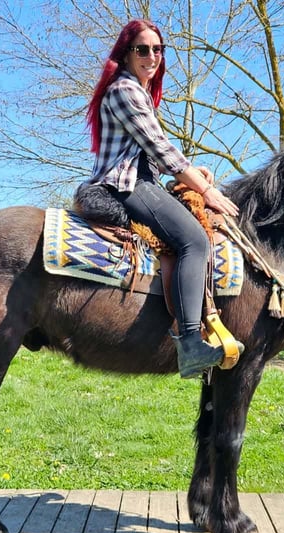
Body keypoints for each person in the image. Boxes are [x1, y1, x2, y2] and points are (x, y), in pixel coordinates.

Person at [82, 18, 243, 378]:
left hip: (141, 180)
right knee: (195, 241)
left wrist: (193, 171)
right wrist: (207, 191)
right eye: (142, 49)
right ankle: (191, 343)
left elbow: (155, 154)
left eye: (158, 49)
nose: (152, 56)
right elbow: (160, 148)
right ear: (126, 53)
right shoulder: (125, 90)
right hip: (125, 185)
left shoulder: (136, 92)